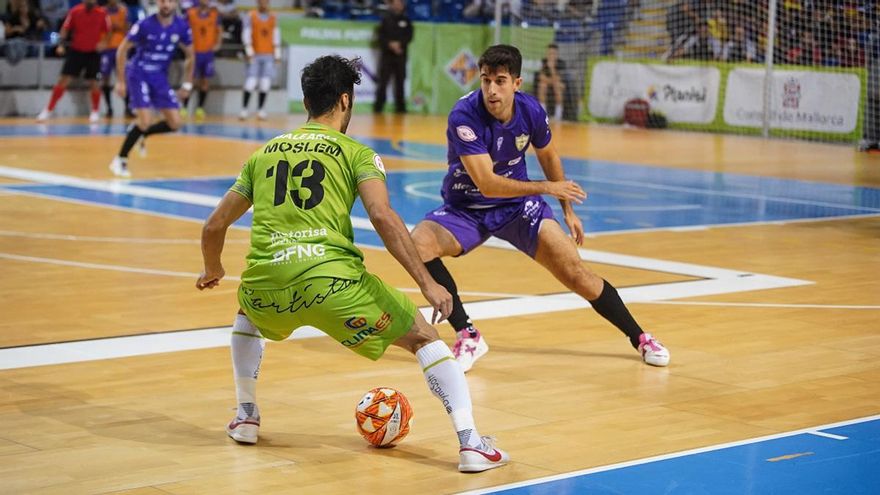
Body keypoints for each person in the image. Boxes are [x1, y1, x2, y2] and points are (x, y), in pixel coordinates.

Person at [196, 55, 509, 473]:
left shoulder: (263, 155)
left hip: (267, 285)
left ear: (307, 100)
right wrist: (427, 283)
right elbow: (383, 217)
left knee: (247, 312)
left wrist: (212, 268)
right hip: (334, 286)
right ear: (345, 101)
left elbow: (214, 225)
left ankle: (247, 414)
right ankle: (471, 443)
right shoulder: (357, 154)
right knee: (423, 337)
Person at [408, 45, 671, 373]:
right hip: (467, 206)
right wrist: (547, 187)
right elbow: (488, 184)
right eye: (486, 80)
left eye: (500, 81)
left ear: (516, 83)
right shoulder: (464, 115)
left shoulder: (530, 110)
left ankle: (641, 337)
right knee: (419, 243)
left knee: (577, 274)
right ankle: (468, 334)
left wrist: (567, 211)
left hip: (518, 207)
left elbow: (548, 156)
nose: (491, 89)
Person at [107, 0, 194, 178]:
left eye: (170, 1)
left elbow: (191, 55)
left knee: (175, 123)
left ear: (175, 4)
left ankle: (140, 133)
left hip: (159, 76)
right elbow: (122, 51)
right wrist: (121, 81)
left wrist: (187, 84)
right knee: (145, 120)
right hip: (138, 73)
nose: (166, 5)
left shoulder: (181, 26)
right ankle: (120, 159)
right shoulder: (144, 25)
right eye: (162, 1)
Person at [36, 0, 108, 123]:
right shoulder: (75, 11)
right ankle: (48, 110)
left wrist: (104, 42)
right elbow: (65, 29)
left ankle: (95, 112)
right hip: (76, 51)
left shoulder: (102, 13)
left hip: (93, 53)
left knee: (94, 82)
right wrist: (61, 44)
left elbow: (108, 31)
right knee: (63, 80)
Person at [239, 0, 280, 120]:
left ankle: (261, 110)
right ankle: (244, 110)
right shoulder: (251, 16)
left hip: (268, 54)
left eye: (266, 2)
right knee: (251, 82)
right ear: (258, 3)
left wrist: (277, 55)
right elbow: (246, 34)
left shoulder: (273, 17)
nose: (264, 4)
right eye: (262, 2)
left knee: (265, 84)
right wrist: (249, 52)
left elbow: (276, 35)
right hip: (255, 54)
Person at [183, 0, 221, 121]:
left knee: (205, 81)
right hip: (194, 52)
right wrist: (185, 47)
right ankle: (184, 107)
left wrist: (218, 43)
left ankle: (200, 108)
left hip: (207, 53)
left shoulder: (215, 14)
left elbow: (220, 30)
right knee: (190, 79)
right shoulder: (190, 13)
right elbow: (183, 29)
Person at [373, 0, 412, 114]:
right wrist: (390, 44)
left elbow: (409, 36)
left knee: (400, 81)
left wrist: (400, 44)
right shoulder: (386, 20)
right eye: (395, 3)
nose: (397, 5)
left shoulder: (406, 20)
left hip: (400, 55)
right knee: (383, 81)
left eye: (399, 3)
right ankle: (378, 107)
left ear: (402, 5)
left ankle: (401, 107)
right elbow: (381, 36)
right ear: (392, 5)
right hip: (387, 56)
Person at [98, 0, 129, 118]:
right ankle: (109, 108)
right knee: (105, 78)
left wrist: (118, 27)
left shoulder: (123, 10)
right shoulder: (102, 11)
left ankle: (128, 108)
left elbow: (126, 28)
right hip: (107, 48)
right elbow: (102, 28)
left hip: (120, 47)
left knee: (123, 77)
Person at [535, 43, 566, 121]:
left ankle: (558, 115)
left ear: (557, 54)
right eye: (549, 53)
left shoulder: (561, 63)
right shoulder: (543, 62)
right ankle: (543, 114)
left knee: (557, 86)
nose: (551, 55)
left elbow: (558, 79)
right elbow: (541, 77)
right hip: (548, 84)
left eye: (553, 53)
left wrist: (552, 68)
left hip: (558, 86)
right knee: (542, 85)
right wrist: (551, 81)